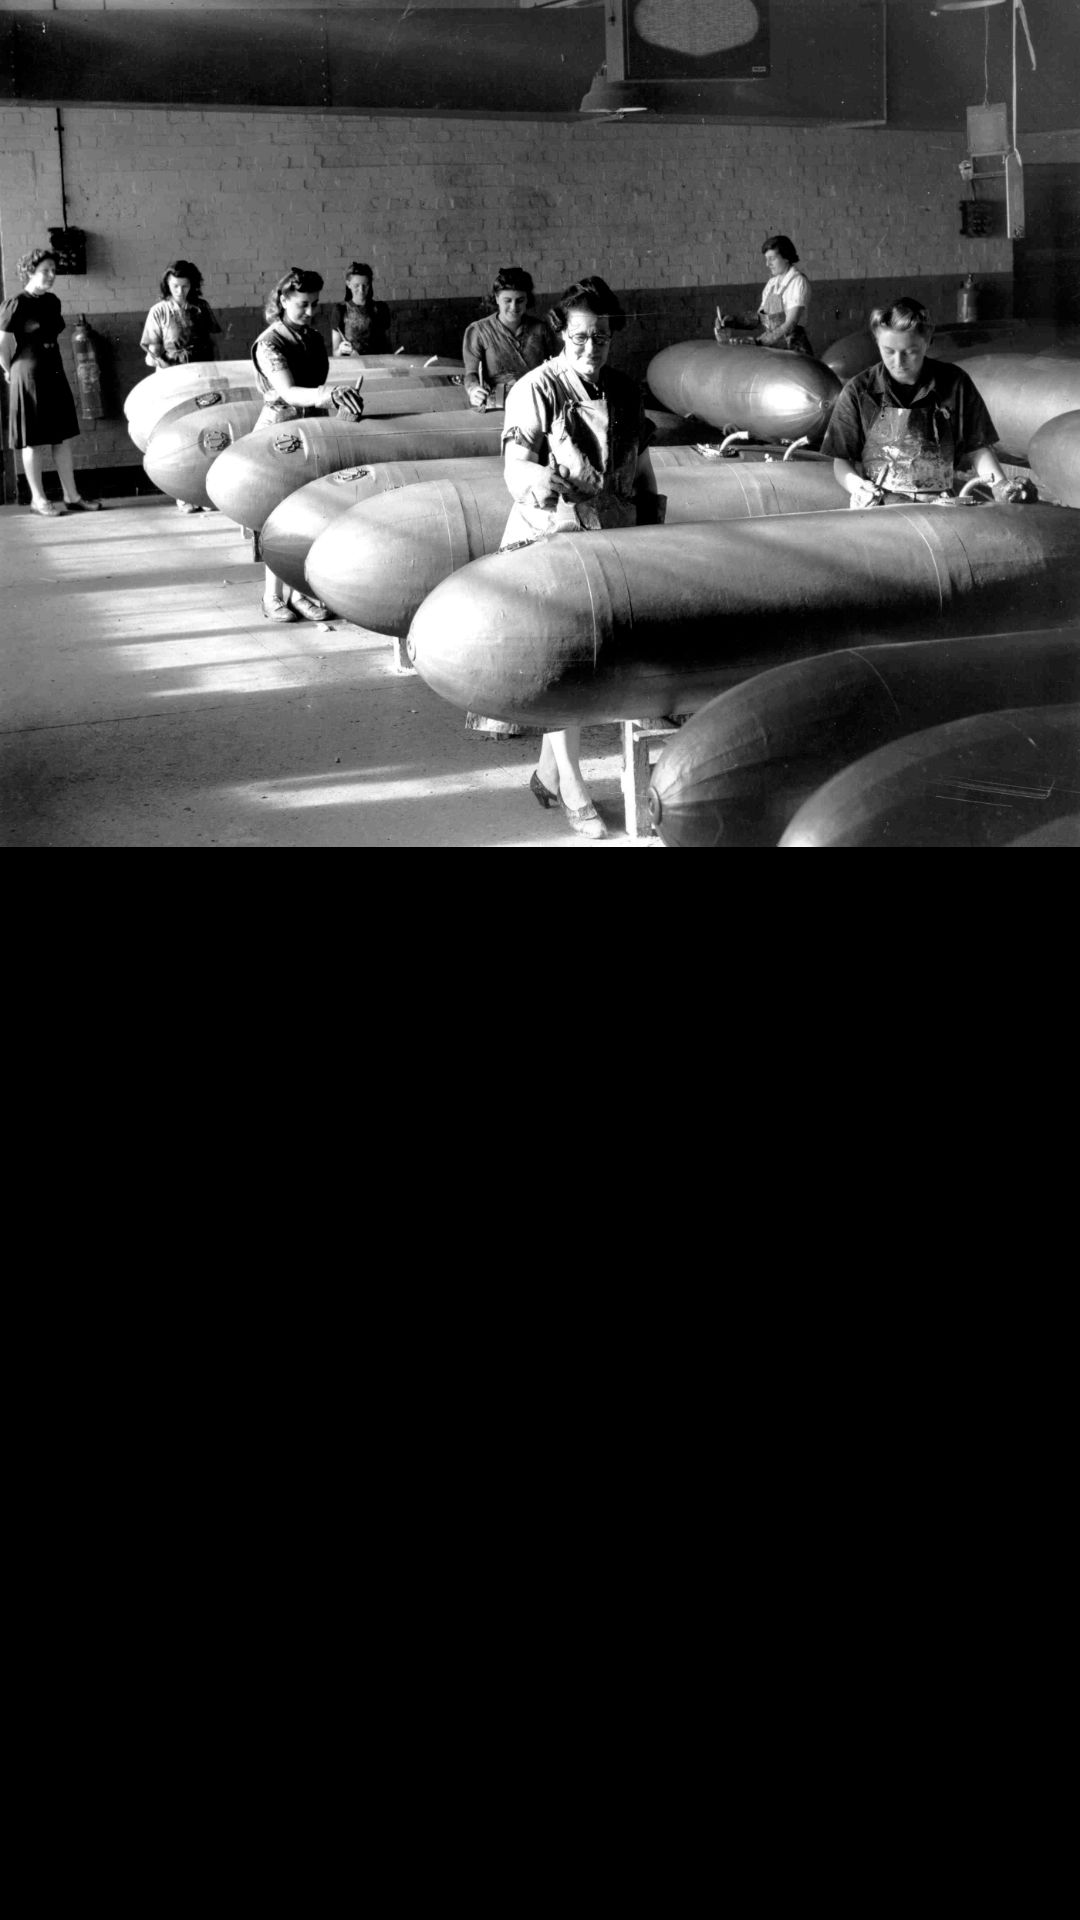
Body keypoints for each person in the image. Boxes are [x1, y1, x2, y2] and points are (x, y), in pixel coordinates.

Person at [493, 275, 662, 839]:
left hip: (613, 536)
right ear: (561, 335)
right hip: (552, 541)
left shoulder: (626, 390)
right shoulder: (535, 390)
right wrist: (539, 477)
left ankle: (548, 770)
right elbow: (514, 467)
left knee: (604, 663)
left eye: (603, 339)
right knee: (568, 668)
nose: (592, 350)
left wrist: (653, 525)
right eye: (581, 339)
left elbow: (638, 466)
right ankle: (573, 784)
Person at [821, 296, 1036, 507]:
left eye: (910, 352)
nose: (899, 362)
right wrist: (858, 486)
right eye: (889, 351)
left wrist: (1001, 486)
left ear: (927, 341)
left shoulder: (955, 383)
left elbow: (977, 448)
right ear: (877, 342)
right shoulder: (859, 390)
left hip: (939, 506)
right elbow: (841, 461)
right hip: (878, 507)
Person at [252, 268, 364, 621]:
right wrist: (329, 394)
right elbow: (287, 391)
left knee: (310, 514)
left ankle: (301, 594)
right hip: (278, 437)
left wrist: (338, 402)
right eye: (303, 304)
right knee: (278, 518)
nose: (311, 311)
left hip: (311, 432)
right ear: (283, 301)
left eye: (316, 304)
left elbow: (318, 388)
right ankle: (272, 597)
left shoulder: (313, 338)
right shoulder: (269, 343)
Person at [0, 248, 101, 516]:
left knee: (62, 437)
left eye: (54, 270)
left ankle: (72, 496)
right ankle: (38, 499)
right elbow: (1, 343)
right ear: (30, 272)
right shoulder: (16, 303)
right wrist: (8, 369)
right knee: (32, 440)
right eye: (46, 270)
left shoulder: (53, 301)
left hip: (53, 370)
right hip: (27, 373)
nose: (51, 275)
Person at [140, 259, 222, 513]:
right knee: (180, 435)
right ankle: (183, 494)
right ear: (167, 285)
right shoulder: (159, 311)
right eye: (175, 286)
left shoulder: (201, 308)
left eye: (185, 286)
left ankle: (205, 493)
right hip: (174, 377)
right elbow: (151, 351)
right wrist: (162, 364)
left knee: (205, 432)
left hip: (202, 375)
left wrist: (216, 375)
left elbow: (214, 342)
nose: (180, 292)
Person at [462, 267, 557, 411]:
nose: (514, 307)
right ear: (496, 299)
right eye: (508, 300)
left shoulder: (541, 329)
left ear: (527, 300)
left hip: (537, 405)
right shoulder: (478, 331)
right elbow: (471, 373)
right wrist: (473, 389)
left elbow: (556, 367)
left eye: (520, 300)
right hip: (497, 407)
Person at [715, 235, 813, 356]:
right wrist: (731, 321)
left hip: (795, 353)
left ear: (786, 257)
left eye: (772, 259)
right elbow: (759, 319)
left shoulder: (798, 282)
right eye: (766, 259)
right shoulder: (772, 284)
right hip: (774, 349)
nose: (767, 264)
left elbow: (790, 324)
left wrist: (759, 342)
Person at [330, 262, 392, 358]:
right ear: (348, 284)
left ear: (370, 284)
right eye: (356, 285)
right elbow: (335, 353)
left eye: (365, 285)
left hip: (377, 364)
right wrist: (341, 350)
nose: (361, 290)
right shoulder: (340, 310)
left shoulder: (380, 308)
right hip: (352, 367)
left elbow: (388, 346)